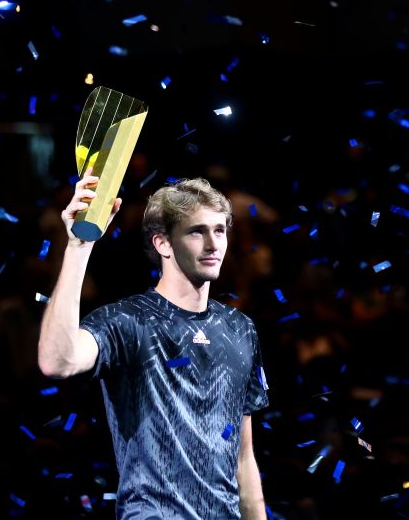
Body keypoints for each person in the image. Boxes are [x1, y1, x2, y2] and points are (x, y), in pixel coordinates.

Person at [38, 169, 270, 520]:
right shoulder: (127, 321)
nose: (213, 244)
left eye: (220, 230)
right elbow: (58, 361)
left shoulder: (240, 329)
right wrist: (78, 245)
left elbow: (243, 457)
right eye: (197, 232)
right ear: (162, 243)